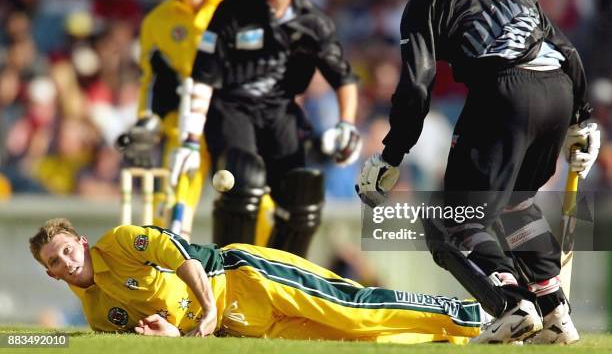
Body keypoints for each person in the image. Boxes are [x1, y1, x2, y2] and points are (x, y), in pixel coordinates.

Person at [355, 0, 600, 345]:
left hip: (505, 91)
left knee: (450, 217)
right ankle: (554, 312)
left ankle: (512, 305)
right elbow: (567, 52)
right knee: (516, 205)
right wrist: (583, 118)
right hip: (559, 90)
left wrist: (392, 154)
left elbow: (417, 86)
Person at [29, 218, 483, 343]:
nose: (65, 261)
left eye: (67, 249)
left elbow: (184, 256)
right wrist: (174, 336)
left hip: (244, 277)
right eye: (55, 261)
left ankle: (475, 315)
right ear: (49, 274)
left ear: (83, 243)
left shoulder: (122, 242)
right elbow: (165, 331)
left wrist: (206, 309)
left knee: (354, 309)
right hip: (240, 324)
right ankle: (464, 341)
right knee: (357, 339)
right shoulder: (95, 315)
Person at [181, 0, 362, 256]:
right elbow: (203, 76)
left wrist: (347, 124)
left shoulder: (313, 21)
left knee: (302, 191)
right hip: (232, 107)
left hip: (280, 110)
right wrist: (189, 139)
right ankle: (232, 270)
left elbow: (344, 78)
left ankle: (279, 275)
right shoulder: (233, 9)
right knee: (242, 177)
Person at [123, 0, 227, 239]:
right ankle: (172, 256)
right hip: (182, 121)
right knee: (172, 200)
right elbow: (150, 78)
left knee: (246, 192)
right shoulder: (156, 21)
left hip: (229, 116)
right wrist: (145, 121)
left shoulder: (231, 8)